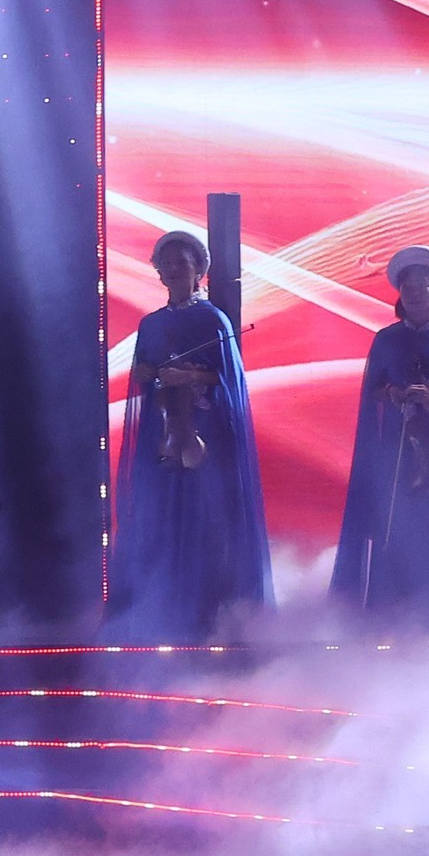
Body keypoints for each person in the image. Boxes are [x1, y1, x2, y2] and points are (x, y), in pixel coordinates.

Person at [109, 231, 274, 637]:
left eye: (181, 263)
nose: (172, 270)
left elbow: (228, 379)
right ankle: (160, 603)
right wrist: (146, 373)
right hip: (164, 432)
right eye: (165, 264)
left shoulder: (212, 320)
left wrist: (190, 376)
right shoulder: (151, 325)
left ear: (199, 270)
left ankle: (207, 608)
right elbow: (145, 379)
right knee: (161, 511)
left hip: (206, 435)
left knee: (205, 515)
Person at [332, 246, 429, 624]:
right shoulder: (387, 339)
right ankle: (392, 609)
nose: (413, 292)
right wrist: (395, 394)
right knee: (396, 522)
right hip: (396, 451)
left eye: (421, 285)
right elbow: (374, 391)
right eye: (407, 286)